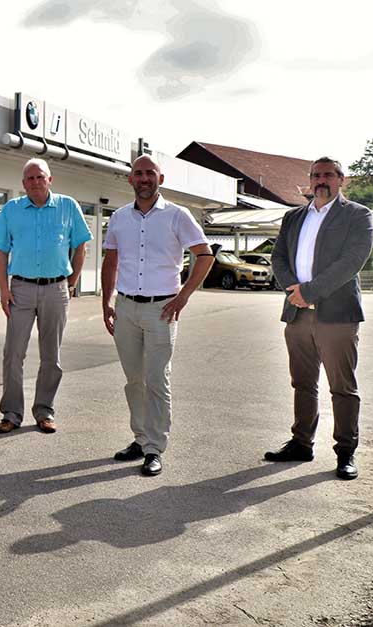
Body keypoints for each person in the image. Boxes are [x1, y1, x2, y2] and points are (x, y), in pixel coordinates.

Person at [101, 155, 214, 476]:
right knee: (134, 380)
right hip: (125, 307)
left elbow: (204, 256)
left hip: (162, 309)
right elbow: (110, 261)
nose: (144, 178)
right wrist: (106, 302)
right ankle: (139, 438)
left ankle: (154, 447)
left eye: (150, 173)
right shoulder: (120, 218)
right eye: (139, 173)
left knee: (156, 379)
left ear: (160, 179)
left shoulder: (179, 216)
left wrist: (184, 296)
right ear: (130, 180)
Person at [264, 157, 373, 480]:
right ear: (309, 180)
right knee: (302, 383)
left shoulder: (357, 215)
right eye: (316, 175)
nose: (321, 179)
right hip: (297, 314)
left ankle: (345, 452)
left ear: (342, 180)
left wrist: (310, 291)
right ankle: (301, 443)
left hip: (337, 316)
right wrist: (292, 289)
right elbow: (279, 256)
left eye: (328, 174)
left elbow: (352, 261)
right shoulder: (293, 216)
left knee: (342, 386)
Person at [0, 158, 91, 436]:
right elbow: (0, 252)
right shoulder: (12, 210)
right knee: (13, 354)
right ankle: (11, 413)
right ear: (23, 184)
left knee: (51, 356)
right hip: (20, 288)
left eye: (40, 177)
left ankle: (44, 411)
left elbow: (81, 246)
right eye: (29, 179)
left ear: (50, 179)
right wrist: (3, 289)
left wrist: (73, 282)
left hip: (57, 289)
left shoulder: (68, 206)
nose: (35, 182)